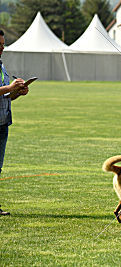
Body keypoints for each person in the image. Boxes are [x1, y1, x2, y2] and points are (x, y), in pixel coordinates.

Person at [0, 29, 29, 216]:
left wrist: (18, 92)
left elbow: (6, 97)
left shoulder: (1, 66)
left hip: (3, 124)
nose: (1, 48)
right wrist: (10, 87)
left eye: (3, 45)